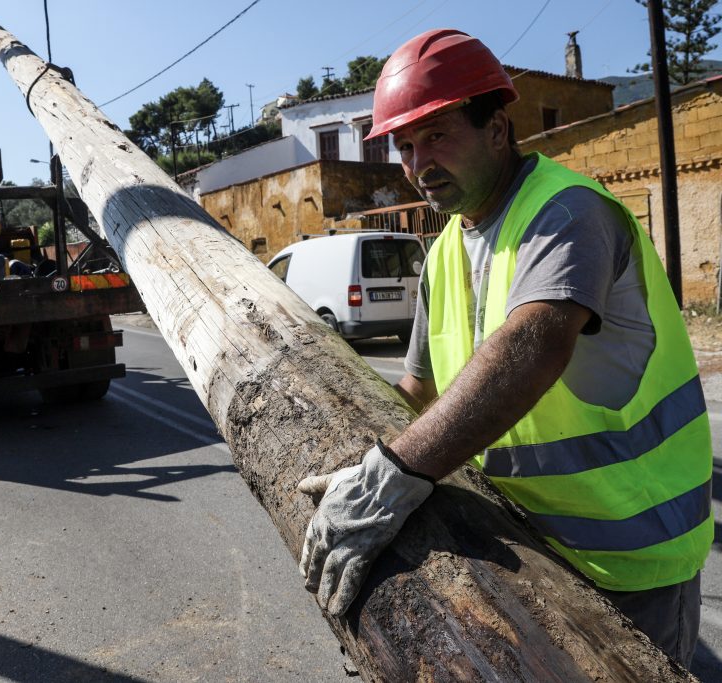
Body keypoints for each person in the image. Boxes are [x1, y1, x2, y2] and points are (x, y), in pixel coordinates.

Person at [297, 28, 711, 668]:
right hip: (526, 551)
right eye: (404, 145)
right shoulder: (441, 254)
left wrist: (392, 477)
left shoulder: (567, 213)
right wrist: (359, 460)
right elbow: (417, 392)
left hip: (632, 553)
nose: (418, 162)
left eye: (436, 135)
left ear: (498, 127)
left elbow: (535, 342)